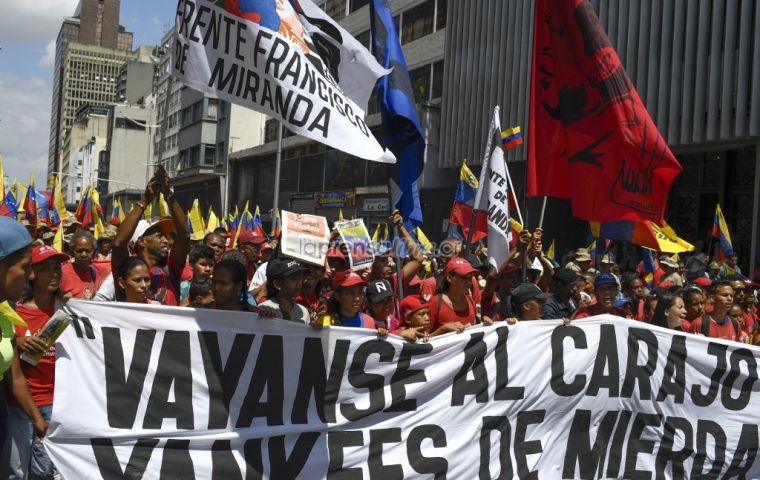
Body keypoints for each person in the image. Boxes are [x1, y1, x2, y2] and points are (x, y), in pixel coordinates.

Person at [5, 244, 69, 479]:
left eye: (57, 268)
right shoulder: (14, 313)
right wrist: (16, 343)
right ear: (31, 273)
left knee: (44, 471)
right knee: (16, 470)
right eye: (46, 268)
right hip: (18, 404)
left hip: (56, 403)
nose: (54, 273)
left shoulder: (70, 312)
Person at [0, 218, 44, 471]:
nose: (31, 276)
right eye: (25, 267)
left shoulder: (6, 312)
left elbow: (14, 376)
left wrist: (38, 420)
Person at [111, 170, 189, 306]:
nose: (165, 240)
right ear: (141, 241)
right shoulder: (127, 268)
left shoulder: (170, 269)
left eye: (165, 236)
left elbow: (184, 235)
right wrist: (145, 200)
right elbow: (118, 244)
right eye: (159, 236)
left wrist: (169, 196)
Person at [428, 258, 480, 337]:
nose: (468, 282)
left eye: (470, 277)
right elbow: (422, 341)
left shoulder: (470, 301)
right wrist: (443, 329)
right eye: (463, 277)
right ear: (449, 278)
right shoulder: (435, 303)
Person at [257, 258, 311, 323]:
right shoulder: (264, 310)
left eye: (300, 278)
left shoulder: (303, 311)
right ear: (277, 284)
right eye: (293, 279)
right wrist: (286, 317)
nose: (299, 283)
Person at [59, 231, 108, 300]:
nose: (84, 255)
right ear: (72, 252)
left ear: (94, 252)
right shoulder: (62, 273)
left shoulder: (94, 272)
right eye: (79, 251)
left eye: (88, 251)